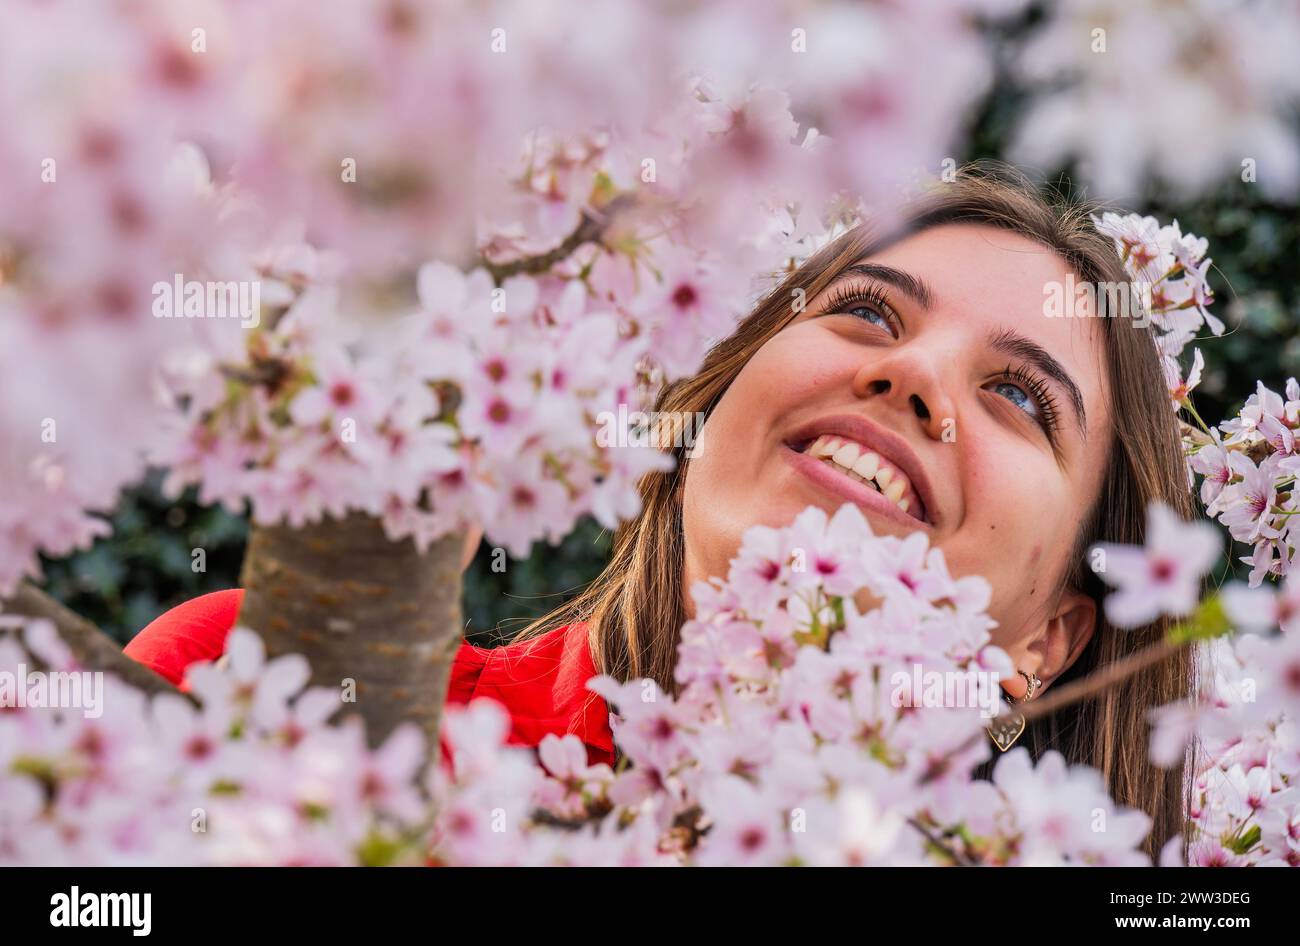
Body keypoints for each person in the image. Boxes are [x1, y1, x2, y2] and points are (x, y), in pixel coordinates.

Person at [125, 164, 1197, 859]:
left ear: (1052, 635)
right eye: (865, 310)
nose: (912, 372)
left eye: (1019, 396)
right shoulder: (262, 683)